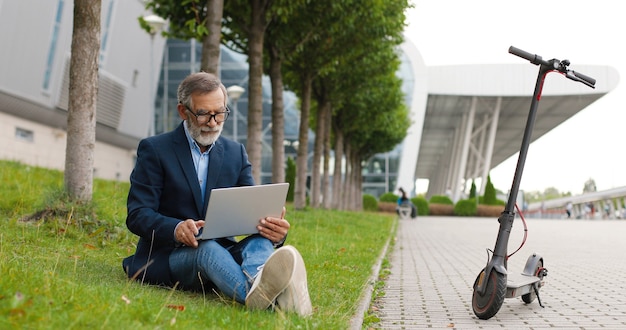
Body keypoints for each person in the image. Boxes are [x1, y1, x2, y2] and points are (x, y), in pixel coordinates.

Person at [122, 72, 312, 316]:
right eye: (203, 113)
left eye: (220, 113)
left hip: (224, 253)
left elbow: (250, 211)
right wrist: (176, 228)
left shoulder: (236, 153)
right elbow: (137, 214)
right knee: (207, 249)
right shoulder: (155, 150)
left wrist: (272, 230)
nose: (213, 122)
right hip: (172, 254)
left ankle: (260, 287)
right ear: (183, 111)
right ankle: (272, 297)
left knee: (261, 242)